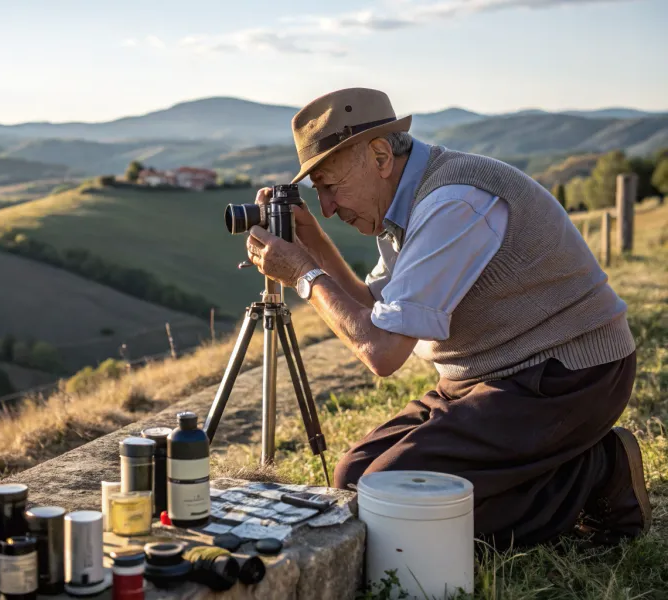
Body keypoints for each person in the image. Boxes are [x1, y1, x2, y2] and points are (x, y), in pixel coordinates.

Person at [244, 87, 650, 549]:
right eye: (320, 194)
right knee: (355, 476)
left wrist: (302, 274)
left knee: (398, 503)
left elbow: (381, 352)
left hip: (569, 374)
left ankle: (596, 471)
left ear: (379, 155)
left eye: (332, 188)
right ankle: (564, 463)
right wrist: (312, 243)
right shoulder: (404, 202)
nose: (329, 208)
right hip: (492, 375)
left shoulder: (452, 203)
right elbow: (372, 308)